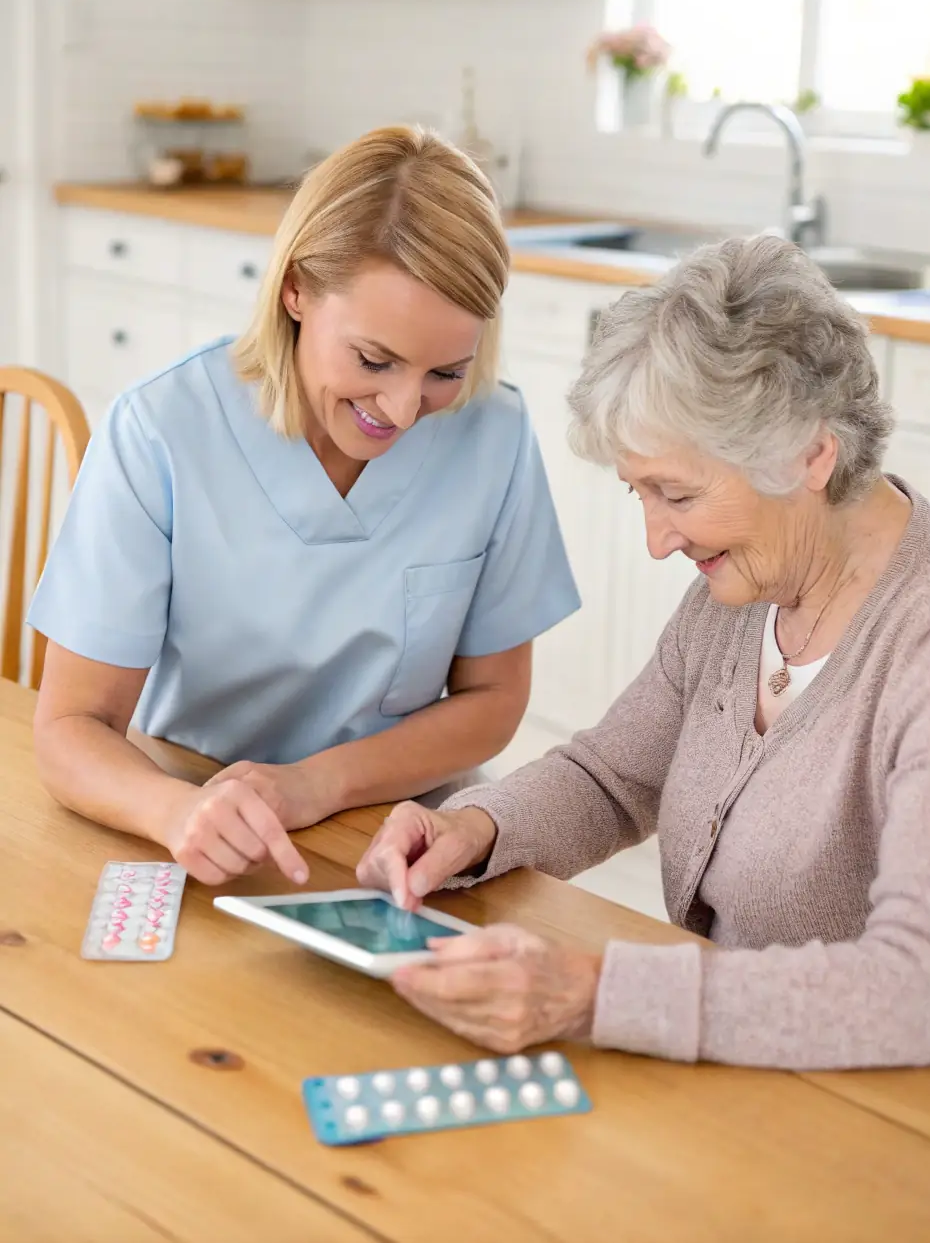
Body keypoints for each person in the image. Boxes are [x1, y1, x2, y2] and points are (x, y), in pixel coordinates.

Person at [356, 234, 930, 1093]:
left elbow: (924, 989)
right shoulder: (745, 589)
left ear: (811, 456)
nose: (656, 539)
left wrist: (597, 991)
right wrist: (472, 827)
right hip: (757, 1078)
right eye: (640, 494)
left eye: (677, 493)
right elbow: (612, 775)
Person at [31, 126, 579, 889]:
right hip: (202, 814)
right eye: (374, 359)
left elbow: (493, 699)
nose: (402, 407)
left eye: (445, 371)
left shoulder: (494, 432)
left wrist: (315, 785)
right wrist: (172, 811)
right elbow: (69, 727)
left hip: (404, 833)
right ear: (295, 290)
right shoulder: (161, 430)